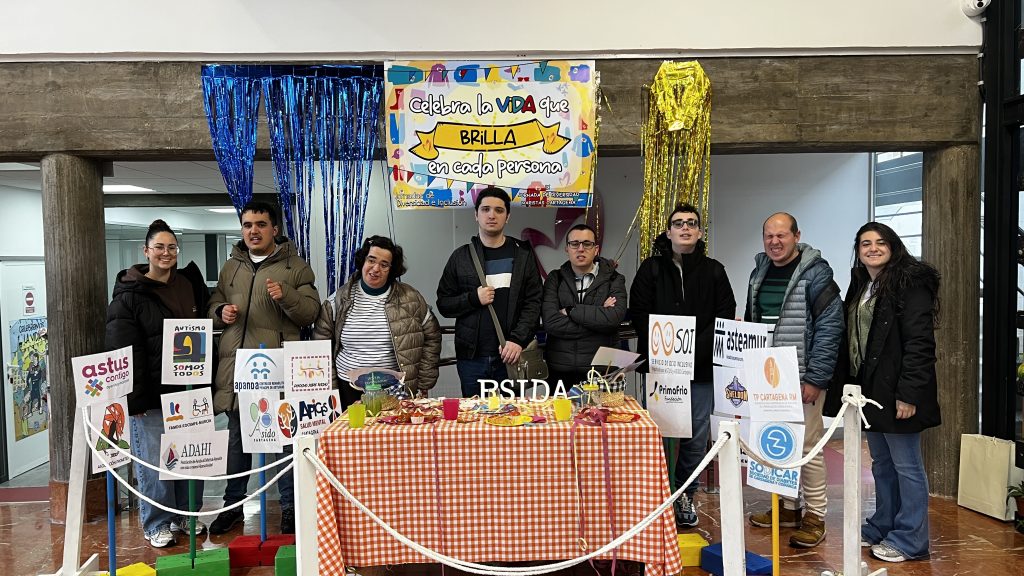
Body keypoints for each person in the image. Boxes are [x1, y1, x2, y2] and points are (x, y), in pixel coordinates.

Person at [207, 201, 320, 535]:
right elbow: (213, 303)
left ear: (274, 229)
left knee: (284, 439)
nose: (253, 231)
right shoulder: (231, 267)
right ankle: (232, 506)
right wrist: (220, 312)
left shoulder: (295, 266)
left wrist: (286, 295)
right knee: (237, 442)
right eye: (247, 225)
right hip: (237, 369)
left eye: (260, 224)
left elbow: (310, 313)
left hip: (278, 370)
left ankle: (290, 507)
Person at [836, 222, 940, 563]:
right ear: (858, 250)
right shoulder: (863, 284)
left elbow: (920, 343)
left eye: (880, 242)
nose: (873, 248)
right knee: (882, 464)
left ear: (893, 246)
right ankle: (884, 524)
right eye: (865, 243)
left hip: (898, 392)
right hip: (871, 392)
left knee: (907, 466)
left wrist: (908, 394)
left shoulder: (911, 283)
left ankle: (911, 540)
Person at [105, 219, 211, 548]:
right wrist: (133, 399)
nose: (166, 253)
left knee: (189, 458)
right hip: (150, 397)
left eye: (171, 247)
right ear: (146, 251)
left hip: (190, 391)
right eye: (159, 247)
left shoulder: (189, 284)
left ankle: (185, 515)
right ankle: (156, 523)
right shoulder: (129, 295)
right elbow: (122, 349)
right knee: (154, 464)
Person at [629, 203, 736, 529]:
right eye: (678, 223)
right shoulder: (650, 269)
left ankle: (685, 495)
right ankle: (660, 497)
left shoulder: (714, 270)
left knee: (695, 438)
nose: (685, 228)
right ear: (668, 231)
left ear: (700, 232)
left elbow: (725, 314)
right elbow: (639, 313)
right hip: (661, 371)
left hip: (701, 370)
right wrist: (666, 350)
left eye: (691, 223)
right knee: (659, 435)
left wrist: (692, 352)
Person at [746, 212, 843, 548]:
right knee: (778, 442)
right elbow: (754, 321)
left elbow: (830, 329)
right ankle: (788, 508)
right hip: (768, 377)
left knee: (807, 447)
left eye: (782, 235)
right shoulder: (759, 270)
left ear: (797, 236)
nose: (775, 242)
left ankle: (815, 516)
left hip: (803, 376)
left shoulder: (817, 274)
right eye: (769, 236)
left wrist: (815, 378)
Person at [436, 186, 543, 398]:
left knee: (515, 414)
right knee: (474, 415)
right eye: (485, 209)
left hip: (512, 355)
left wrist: (518, 340)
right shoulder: (461, 257)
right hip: (472, 358)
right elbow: (444, 304)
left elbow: (534, 302)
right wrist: (473, 298)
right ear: (476, 215)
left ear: (507, 216)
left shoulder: (523, 255)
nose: (491, 215)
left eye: (498, 210)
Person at [314, 235, 441, 405]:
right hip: (348, 389)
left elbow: (432, 337)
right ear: (363, 261)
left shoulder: (411, 299)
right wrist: (331, 391)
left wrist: (424, 383)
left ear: (392, 269)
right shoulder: (337, 301)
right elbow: (320, 348)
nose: (375, 269)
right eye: (371, 260)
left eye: (384, 264)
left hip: (395, 389)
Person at [542, 224, 627, 388]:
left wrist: (570, 311)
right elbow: (551, 322)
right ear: (567, 248)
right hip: (560, 370)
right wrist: (598, 320)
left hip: (601, 371)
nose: (580, 249)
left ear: (596, 250)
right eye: (574, 244)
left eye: (587, 244)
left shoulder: (614, 279)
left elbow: (613, 319)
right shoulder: (555, 279)